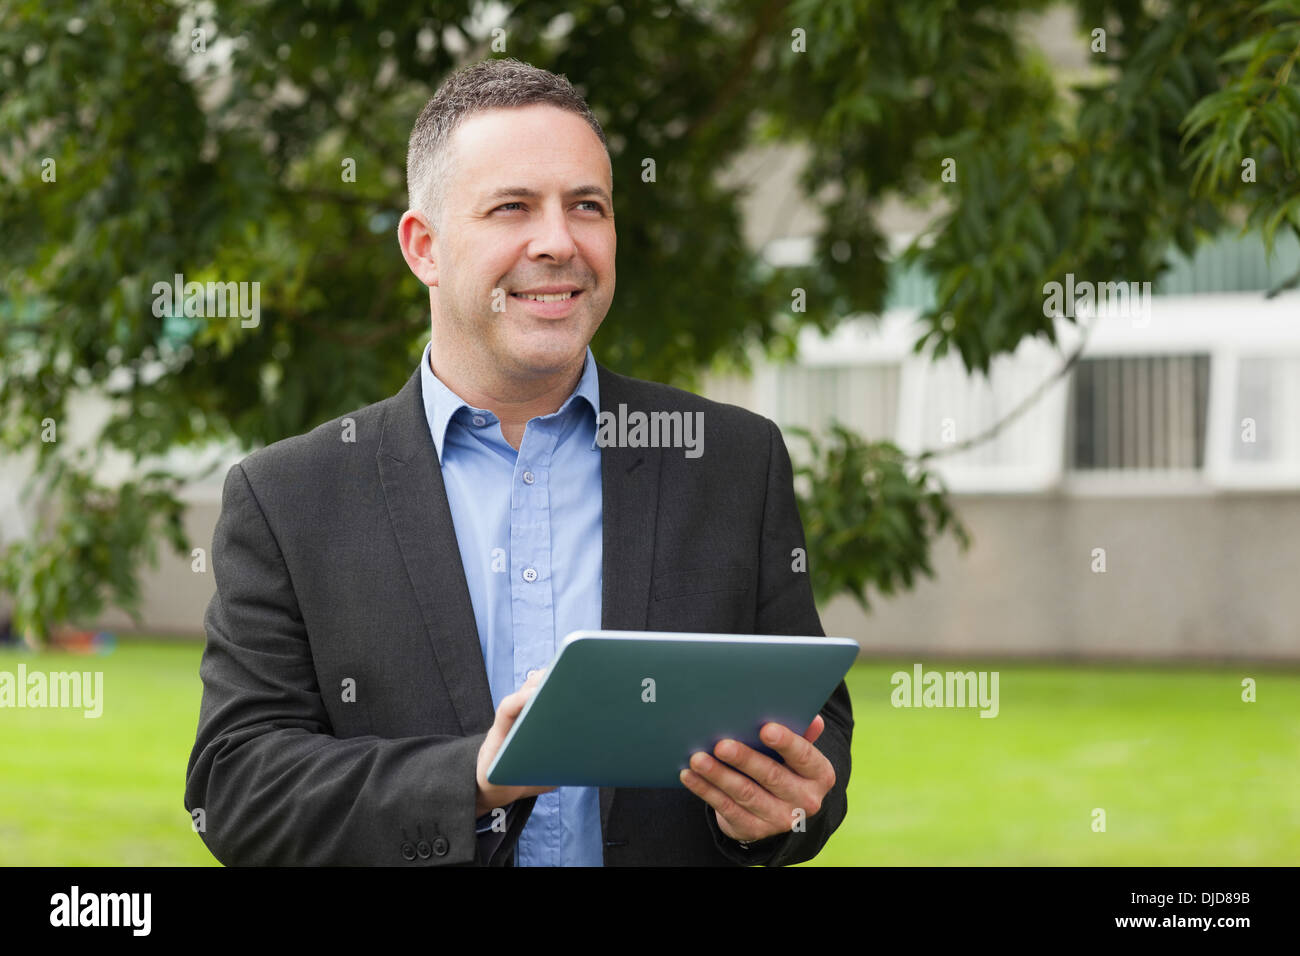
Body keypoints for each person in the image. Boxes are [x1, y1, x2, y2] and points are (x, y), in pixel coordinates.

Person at [184, 57, 853, 866]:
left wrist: (779, 812)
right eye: (512, 207)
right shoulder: (289, 499)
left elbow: (813, 728)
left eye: (587, 207)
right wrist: (472, 778)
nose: (558, 242)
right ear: (424, 247)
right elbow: (236, 791)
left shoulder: (733, 462)